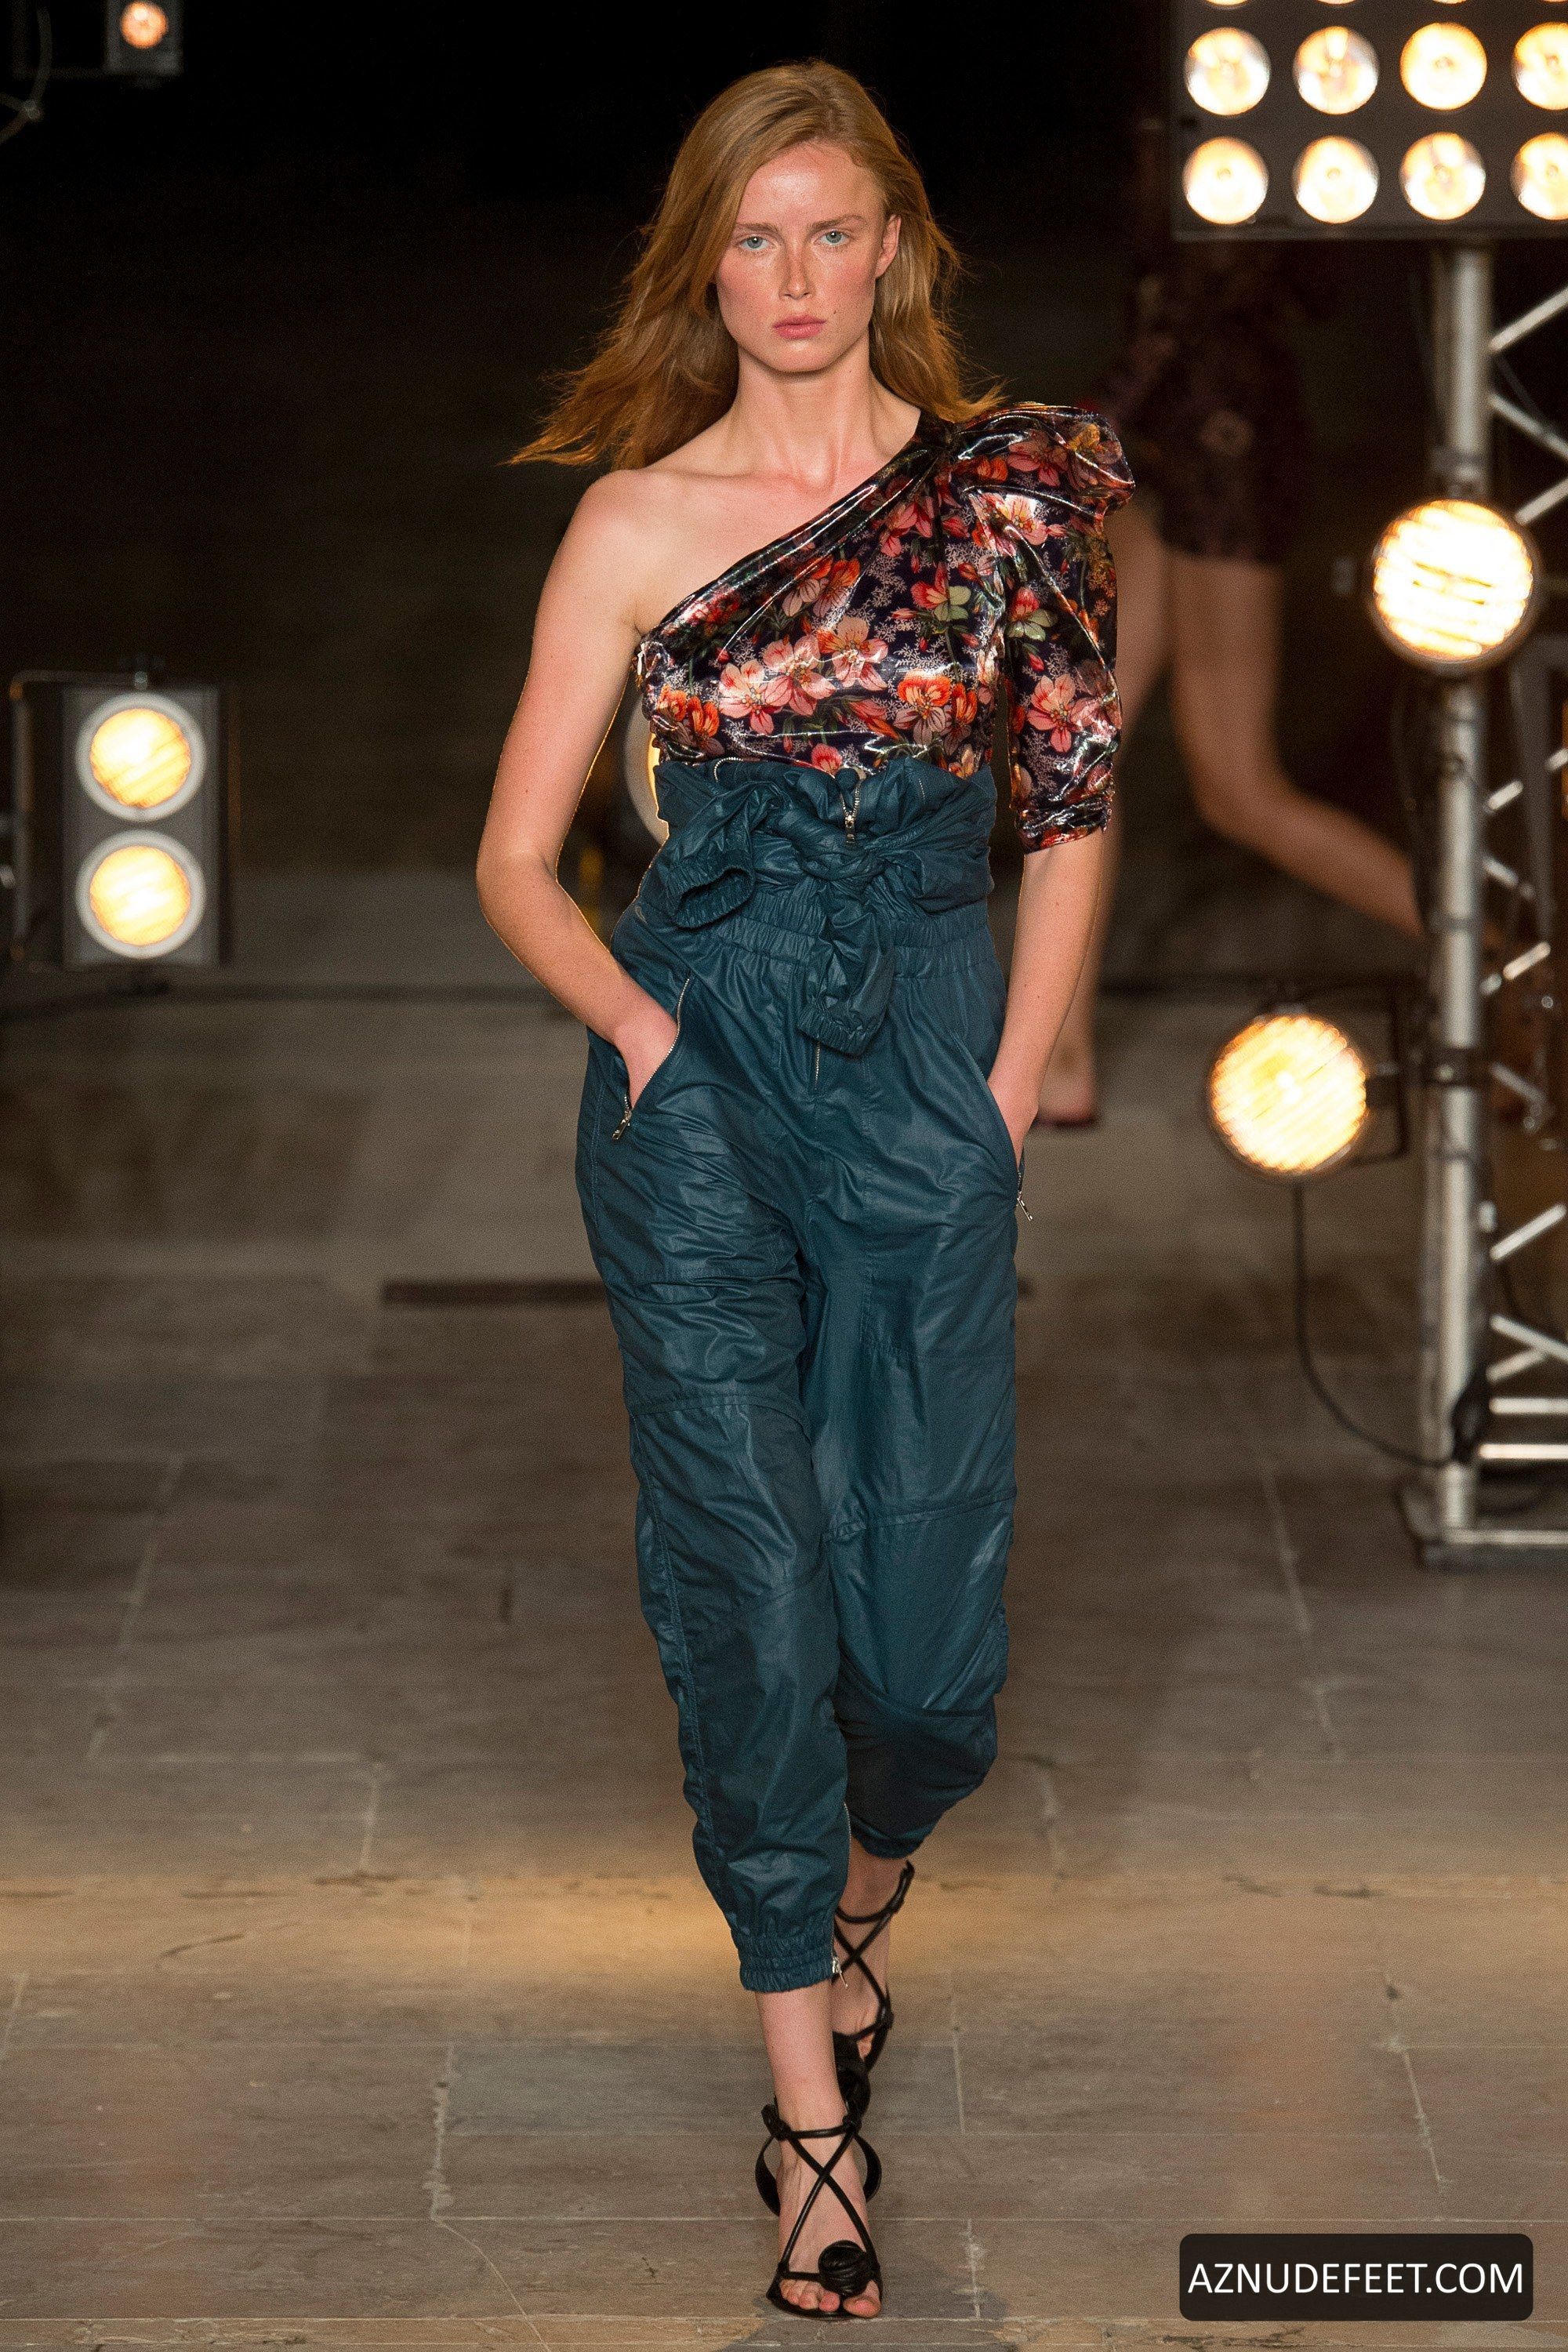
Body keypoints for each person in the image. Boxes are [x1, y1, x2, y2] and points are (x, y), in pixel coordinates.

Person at [477, 60, 1129, 2318]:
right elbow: (516, 857)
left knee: (927, 1651)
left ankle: (857, 1900)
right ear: (706, 267)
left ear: (893, 252)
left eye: (828, 231)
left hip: (926, 1073)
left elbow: (1073, 810)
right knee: (749, 1586)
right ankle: (807, 2117)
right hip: (699, 1084)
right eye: (750, 238)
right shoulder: (636, 524)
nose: (790, 276)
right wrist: (646, 1037)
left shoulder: (1008, 499)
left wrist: (1010, 1081)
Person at [1036, 116, 1421, 1128]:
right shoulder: (1195, 85)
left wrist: (1065, 446)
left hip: (1223, 449)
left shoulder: (1237, 88)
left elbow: (1208, 305)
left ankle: (1512, 959)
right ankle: (1060, 1058)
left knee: (1241, 791)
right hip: (1172, 449)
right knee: (1078, 754)